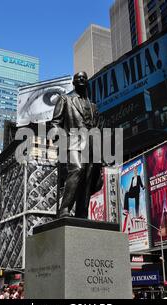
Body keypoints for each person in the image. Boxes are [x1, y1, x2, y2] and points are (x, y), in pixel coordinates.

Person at [51, 71, 102, 219]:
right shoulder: (65, 100)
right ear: (73, 82)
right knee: (78, 170)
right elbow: (55, 123)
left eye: (84, 78)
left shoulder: (93, 107)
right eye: (78, 78)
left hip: (91, 146)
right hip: (73, 142)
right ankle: (65, 208)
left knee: (86, 180)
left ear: (87, 82)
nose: (81, 79)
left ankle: (82, 213)